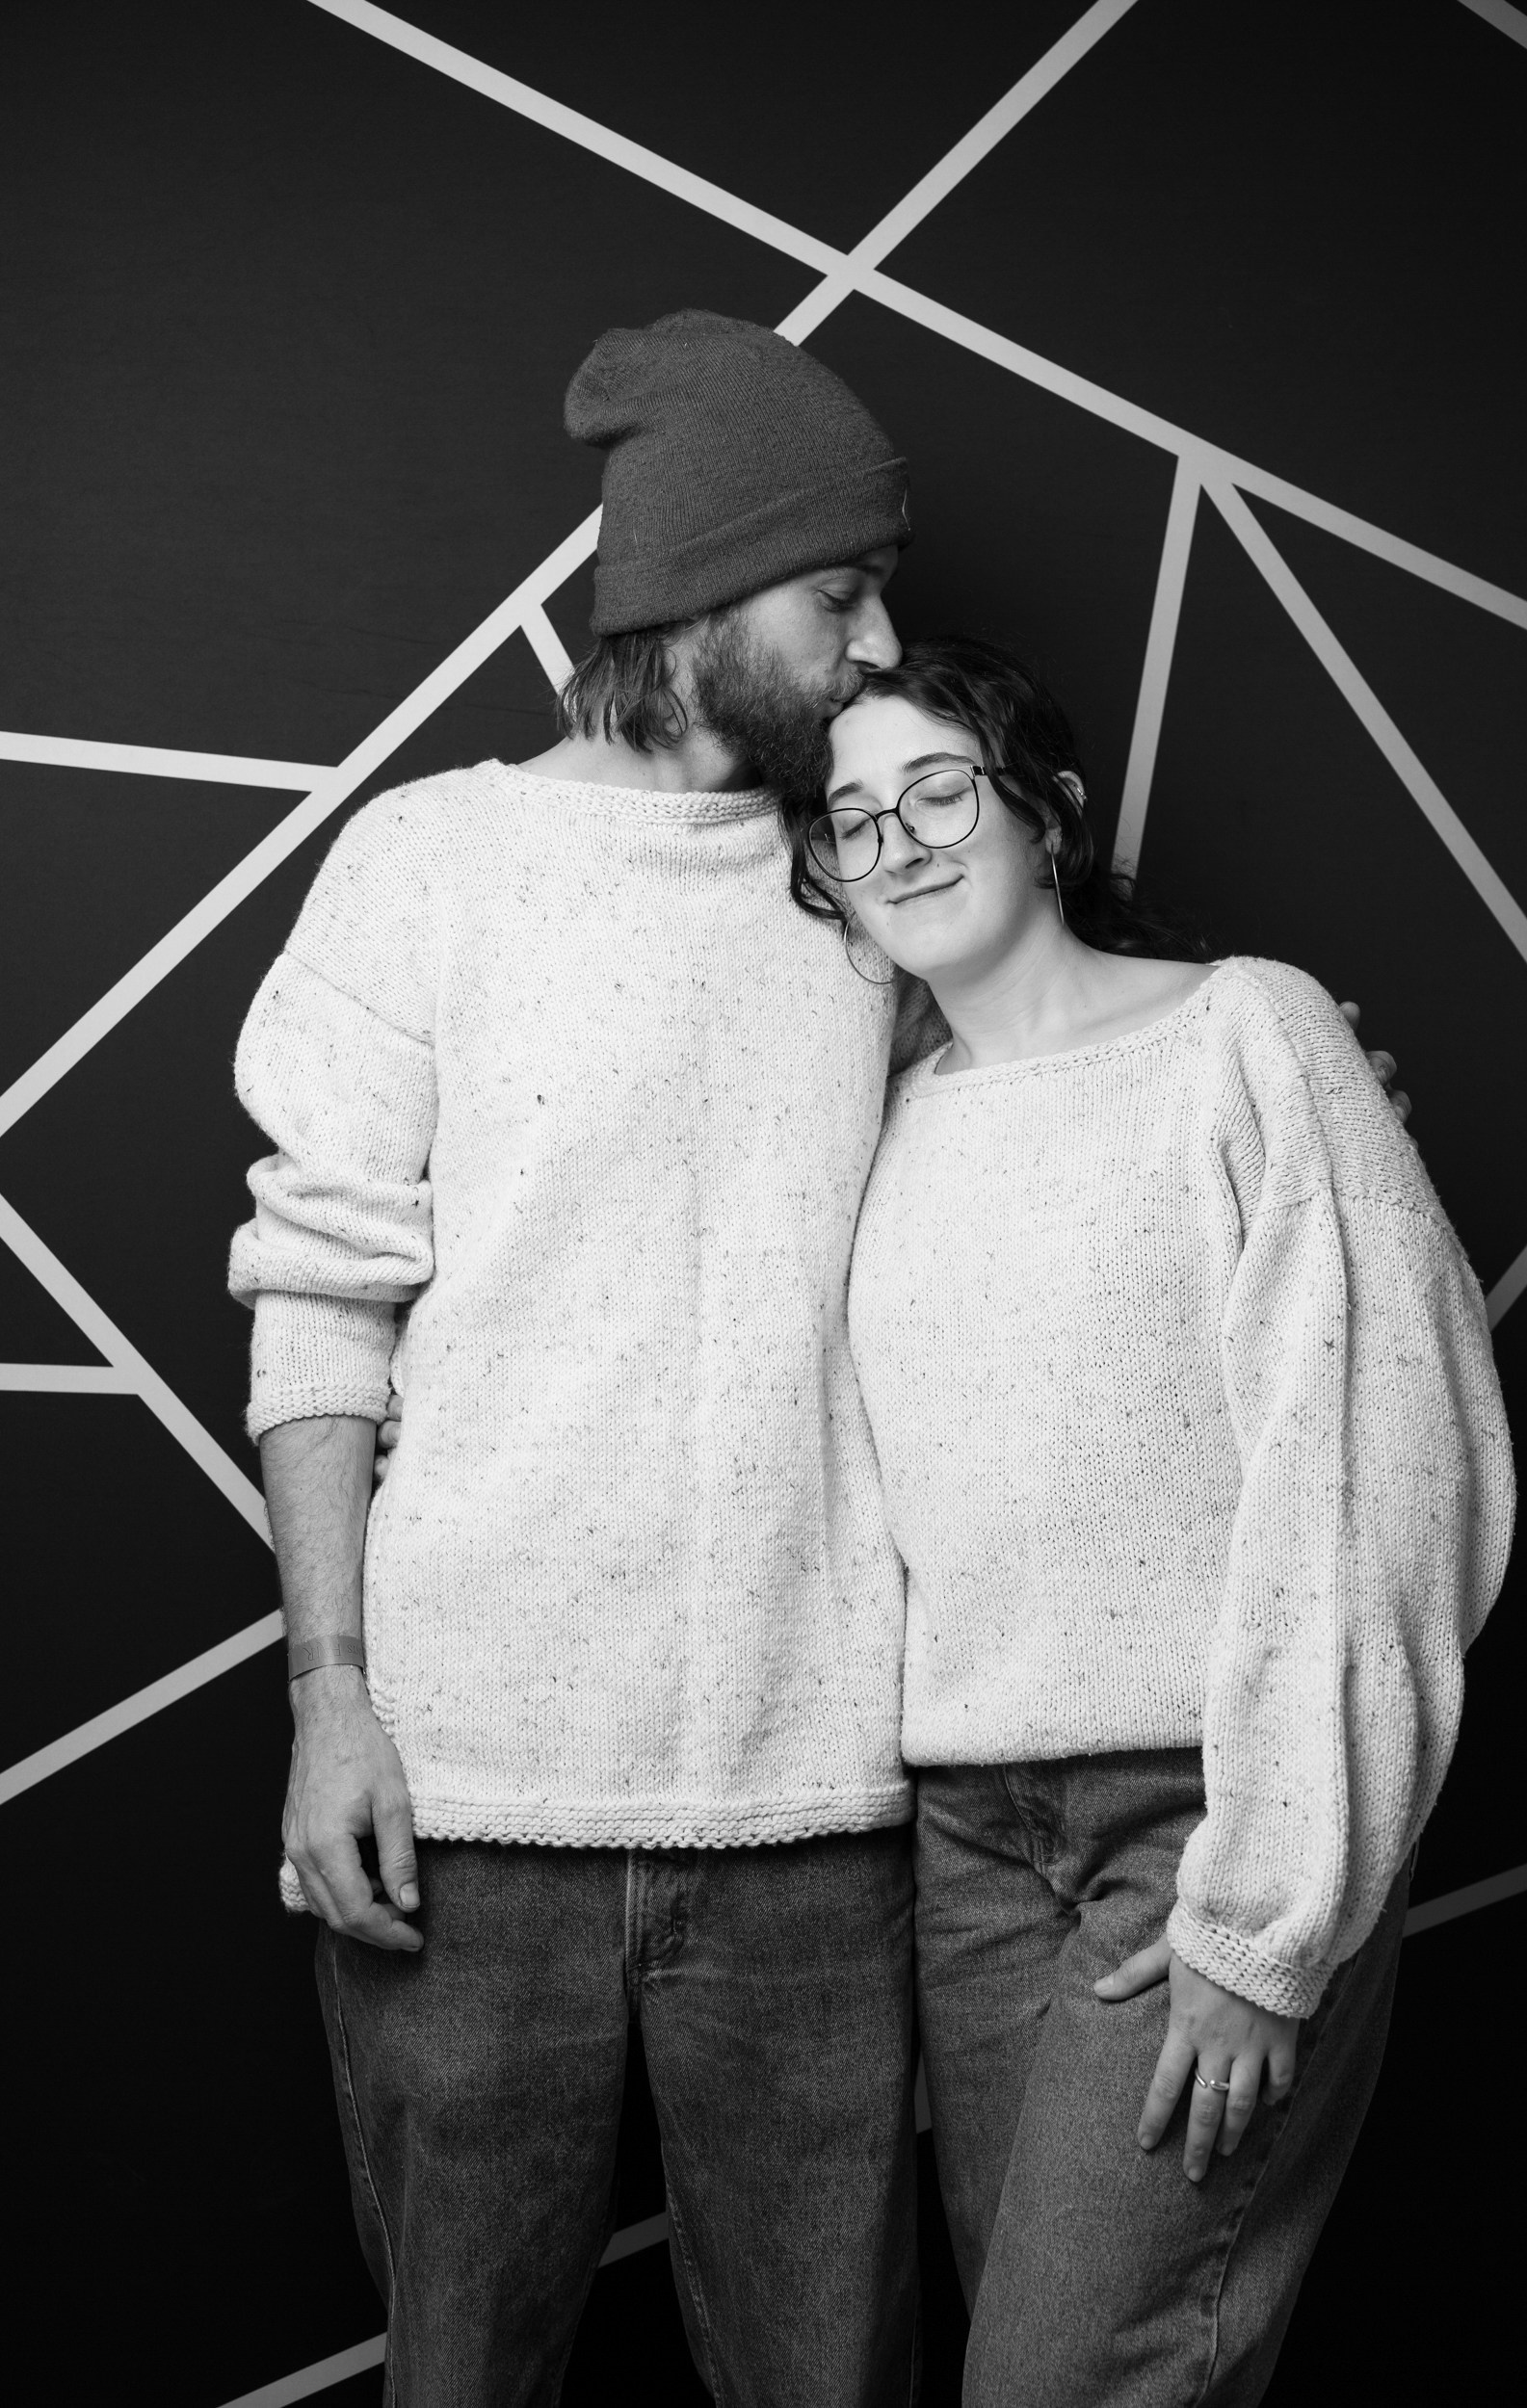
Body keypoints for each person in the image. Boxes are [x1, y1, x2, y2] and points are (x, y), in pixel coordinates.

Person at [227, 310, 929, 2407]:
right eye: (840, 594)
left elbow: (1055, 1115)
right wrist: (329, 1699)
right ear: (702, 593)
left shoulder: (878, 882)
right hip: (467, 1811)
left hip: (822, 1812)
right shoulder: (432, 864)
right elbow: (319, 1298)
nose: (884, 645)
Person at [782, 636, 1514, 2407]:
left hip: (1208, 1810)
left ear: (1050, 813)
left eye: (939, 789)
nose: (899, 843)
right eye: (853, 820)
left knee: (1060, 2382)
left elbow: (1381, 1469)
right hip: (970, 1844)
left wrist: (1267, 1914)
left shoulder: (1248, 1033)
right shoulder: (879, 1125)